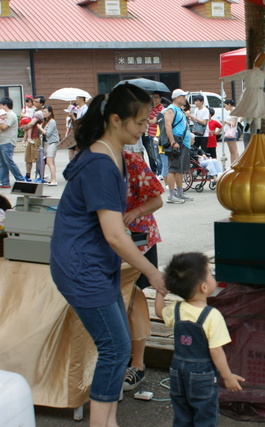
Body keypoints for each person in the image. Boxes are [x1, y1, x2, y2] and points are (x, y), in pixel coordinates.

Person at [50, 83, 167, 427]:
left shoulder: (112, 153)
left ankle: (107, 420)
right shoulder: (102, 163)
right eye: (140, 123)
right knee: (116, 349)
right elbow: (115, 235)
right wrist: (154, 274)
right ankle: (102, 423)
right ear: (115, 119)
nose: (144, 129)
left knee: (117, 347)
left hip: (94, 264)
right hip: (81, 266)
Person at [154, 252, 244, 427]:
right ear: (204, 287)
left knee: (182, 415)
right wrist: (227, 376)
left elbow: (159, 312)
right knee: (205, 415)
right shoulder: (212, 315)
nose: (213, 274)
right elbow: (216, 350)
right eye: (210, 272)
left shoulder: (176, 309)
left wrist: (160, 292)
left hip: (177, 372)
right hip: (201, 375)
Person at [121, 150, 164, 391]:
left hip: (137, 238)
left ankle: (137, 364)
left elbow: (157, 200)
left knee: (134, 297)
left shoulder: (132, 162)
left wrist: (135, 213)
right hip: (102, 240)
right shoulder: (88, 158)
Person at [165, 89, 192, 204]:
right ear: (177, 98)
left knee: (179, 169)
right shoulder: (171, 109)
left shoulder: (179, 110)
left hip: (182, 142)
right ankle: (171, 195)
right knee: (173, 169)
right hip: (177, 141)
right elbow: (168, 125)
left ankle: (180, 192)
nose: (185, 98)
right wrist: (172, 141)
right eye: (183, 96)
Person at [0, 97, 26, 188]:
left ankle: (20, 180)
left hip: (8, 142)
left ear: (4, 105)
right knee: (2, 163)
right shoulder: (5, 115)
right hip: (2, 141)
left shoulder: (11, 115)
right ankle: (5, 182)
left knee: (9, 162)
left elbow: (4, 127)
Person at [22, 95, 45, 182]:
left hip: (35, 138)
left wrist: (25, 127)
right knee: (28, 158)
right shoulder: (34, 111)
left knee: (37, 158)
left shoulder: (39, 113)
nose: (34, 103)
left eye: (36, 102)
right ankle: (28, 176)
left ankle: (41, 176)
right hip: (30, 137)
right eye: (34, 101)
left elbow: (32, 123)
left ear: (41, 103)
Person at [36, 105, 59, 185]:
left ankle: (54, 180)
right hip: (46, 143)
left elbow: (48, 133)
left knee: (49, 162)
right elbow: (44, 133)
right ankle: (53, 179)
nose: (44, 113)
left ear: (50, 112)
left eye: (45, 112)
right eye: (43, 112)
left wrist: (40, 128)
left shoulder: (52, 121)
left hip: (52, 143)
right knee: (51, 162)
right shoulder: (46, 122)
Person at [144, 91, 164, 176]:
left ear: (160, 98)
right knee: (153, 155)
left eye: (156, 97)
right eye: (153, 97)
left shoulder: (161, 109)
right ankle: (157, 171)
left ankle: (160, 173)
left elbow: (153, 121)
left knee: (158, 155)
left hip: (157, 135)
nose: (155, 99)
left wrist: (146, 119)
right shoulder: (152, 108)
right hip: (150, 134)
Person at [222, 99, 240, 164]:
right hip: (228, 132)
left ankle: (238, 163)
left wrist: (225, 122)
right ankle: (232, 164)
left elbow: (233, 124)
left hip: (232, 132)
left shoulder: (234, 112)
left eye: (225, 106)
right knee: (231, 150)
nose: (225, 107)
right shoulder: (231, 112)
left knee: (234, 150)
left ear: (229, 105)